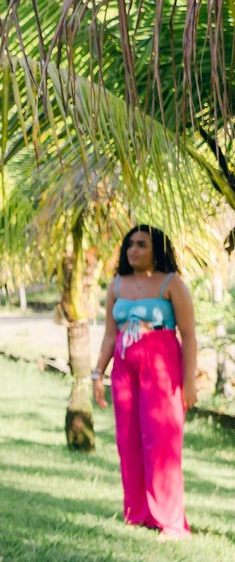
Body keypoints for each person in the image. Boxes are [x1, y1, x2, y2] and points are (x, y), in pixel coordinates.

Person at [93, 225, 195, 540]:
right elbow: (111, 334)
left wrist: (189, 381)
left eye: (141, 245)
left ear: (157, 249)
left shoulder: (171, 283)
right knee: (128, 439)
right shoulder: (116, 285)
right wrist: (98, 373)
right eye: (129, 244)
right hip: (125, 366)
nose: (133, 250)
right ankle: (137, 512)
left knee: (161, 440)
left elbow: (189, 334)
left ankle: (171, 523)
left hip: (162, 364)